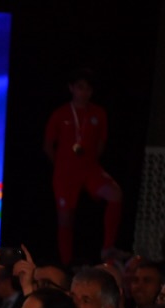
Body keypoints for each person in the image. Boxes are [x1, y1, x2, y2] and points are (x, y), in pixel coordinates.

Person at [46, 69, 122, 266]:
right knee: (65, 218)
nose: (84, 92)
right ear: (71, 88)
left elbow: (101, 142)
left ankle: (107, 248)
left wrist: (89, 162)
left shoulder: (98, 113)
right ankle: (66, 264)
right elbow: (48, 145)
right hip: (65, 172)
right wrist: (61, 165)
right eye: (80, 87)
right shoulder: (60, 113)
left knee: (115, 194)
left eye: (88, 88)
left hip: (89, 168)